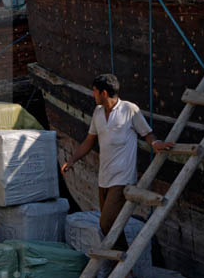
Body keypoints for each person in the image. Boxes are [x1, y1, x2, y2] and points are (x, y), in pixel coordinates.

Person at [61, 74, 174, 254]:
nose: (93, 95)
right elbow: (89, 142)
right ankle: (122, 265)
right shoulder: (98, 113)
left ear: (104, 93)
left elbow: (147, 134)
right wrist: (72, 160)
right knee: (110, 226)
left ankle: (124, 267)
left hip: (123, 178)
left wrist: (156, 144)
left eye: (95, 91)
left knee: (106, 222)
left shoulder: (130, 109)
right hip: (104, 178)